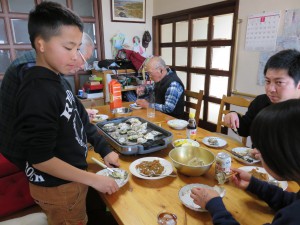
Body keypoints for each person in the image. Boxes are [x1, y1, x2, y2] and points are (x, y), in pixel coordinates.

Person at [1, 2, 119, 224]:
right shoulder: (36, 88)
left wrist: (103, 149)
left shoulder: (56, 77)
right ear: (41, 44)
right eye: (69, 48)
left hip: (69, 177)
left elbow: (80, 116)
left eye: (77, 49)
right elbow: (40, 158)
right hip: (57, 187)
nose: (76, 58)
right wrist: (93, 179)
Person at [190, 99, 300, 224]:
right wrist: (255, 185)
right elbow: (291, 200)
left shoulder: (293, 217)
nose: (257, 152)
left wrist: (214, 205)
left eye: (261, 148)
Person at [224, 49, 300, 137]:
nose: (270, 89)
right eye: (267, 81)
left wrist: (269, 151)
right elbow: (245, 130)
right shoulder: (261, 102)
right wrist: (233, 116)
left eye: (279, 82)